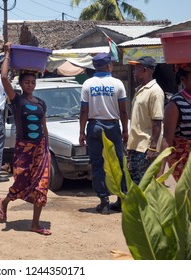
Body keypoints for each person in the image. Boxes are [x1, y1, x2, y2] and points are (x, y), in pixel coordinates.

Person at [0, 42, 51, 235]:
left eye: (33, 83)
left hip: (40, 149)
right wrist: (7, 54)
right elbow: (3, 77)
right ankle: (4, 202)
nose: (31, 85)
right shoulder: (17, 100)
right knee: (20, 182)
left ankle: (35, 224)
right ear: (21, 84)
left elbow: (44, 126)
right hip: (24, 148)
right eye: (27, 82)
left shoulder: (41, 103)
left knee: (41, 185)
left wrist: (46, 149)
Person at [79, 53, 128, 214]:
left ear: (95, 66)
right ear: (109, 66)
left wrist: (81, 132)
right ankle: (121, 199)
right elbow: (123, 110)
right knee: (118, 162)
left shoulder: (87, 84)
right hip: (112, 127)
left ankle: (104, 201)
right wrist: (125, 130)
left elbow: (84, 111)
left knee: (98, 165)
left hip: (94, 127)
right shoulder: (118, 83)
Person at [161, 63, 191, 181]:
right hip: (187, 164)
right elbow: (167, 140)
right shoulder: (175, 104)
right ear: (183, 80)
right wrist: (160, 172)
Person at [126, 56, 164, 185]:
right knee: (134, 182)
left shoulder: (155, 92)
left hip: (145, 147)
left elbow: (157, 121)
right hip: (135, 145)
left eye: (136, 68)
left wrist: (153, 148)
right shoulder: (141, 89)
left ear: (145, 70)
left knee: (143, 184)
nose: (133, 71)